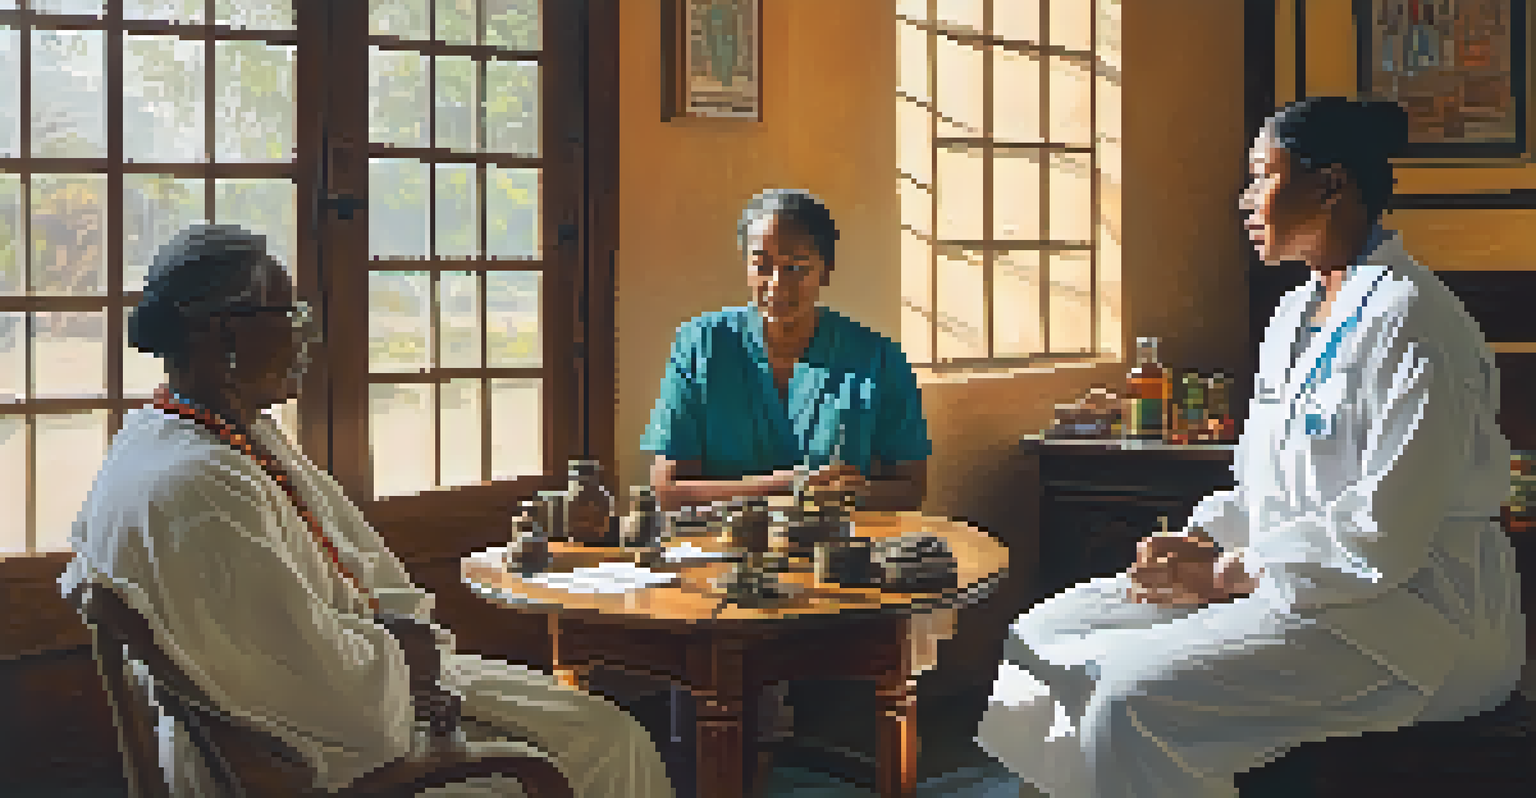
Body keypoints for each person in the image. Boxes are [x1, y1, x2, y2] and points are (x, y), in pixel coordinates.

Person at [975, 97, 1525, 798]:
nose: (1244, 200)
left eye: (1263, 175)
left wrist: (1228, 574)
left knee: (1124, 699)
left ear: (1331, 185)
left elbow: (1382, 536)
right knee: (1043, 635)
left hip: (1410, 624)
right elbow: (1263, 487)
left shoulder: (1416, 326)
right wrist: (1197, 542)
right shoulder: (1294, 315)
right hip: (1292, 588)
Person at [60, 225, 675, 798]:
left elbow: (362, 567)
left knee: (601, 729)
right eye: (289, 316)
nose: (305, 336)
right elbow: (311, 687)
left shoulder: (223, 435)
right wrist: (406, 663)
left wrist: (412, 650)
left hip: (377, 685)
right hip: (302, 758)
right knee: (606, 749)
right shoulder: (195, 485)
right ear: (223, 333)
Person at [642, 188, 931, 512]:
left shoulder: (878, 360)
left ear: (827, 270)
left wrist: (856, 493)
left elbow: (911, 489)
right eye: (762, 266)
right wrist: (792, 485)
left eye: (796, 268)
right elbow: (667, 491)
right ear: (745, 264)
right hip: (719, 550)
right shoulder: (702, 345)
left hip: (836, 552)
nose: (777, 283)